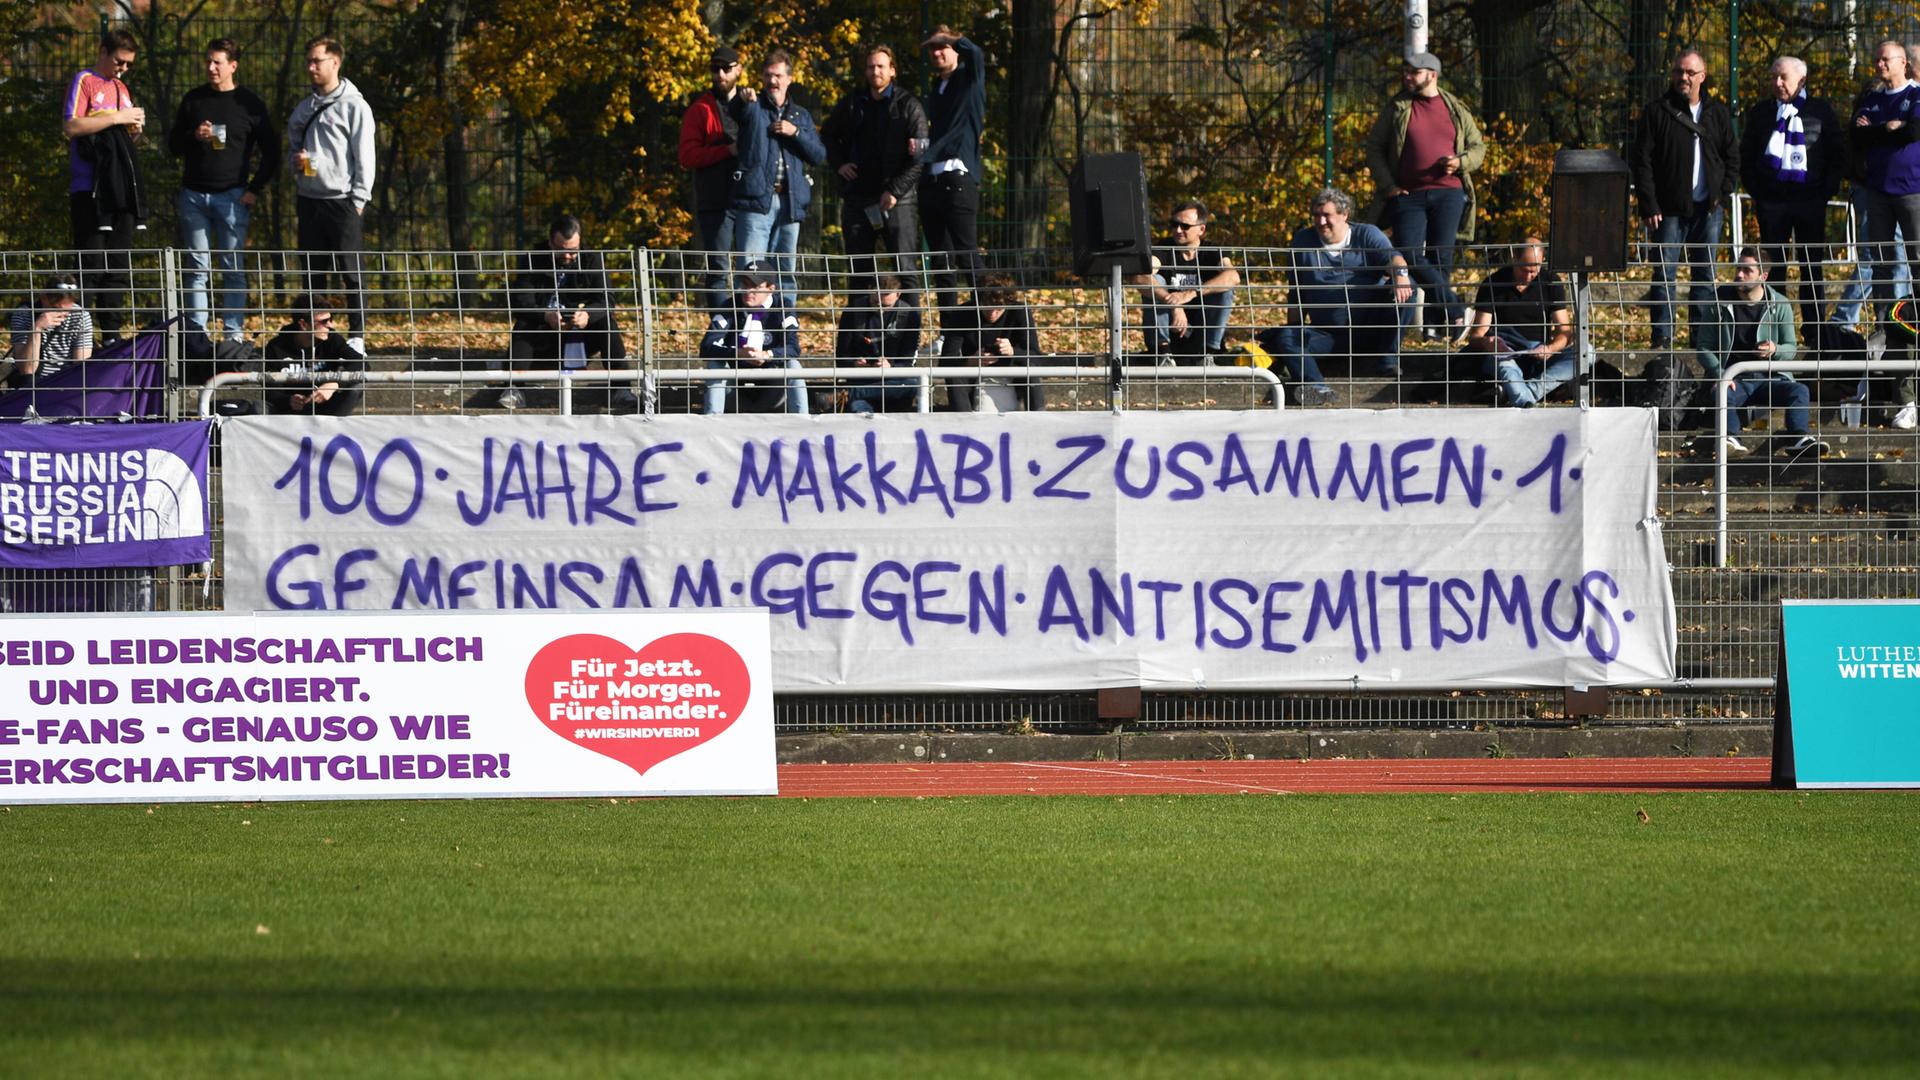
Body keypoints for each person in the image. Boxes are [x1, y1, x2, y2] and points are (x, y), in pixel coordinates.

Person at [1363, 50, 1485, 338]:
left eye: (1413, 72)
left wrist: (1460, 163)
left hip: (1449, 193)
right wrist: (1389, 186)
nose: (1407, 77)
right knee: (1407, 252)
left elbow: (1478, 148)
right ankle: (1455, 309)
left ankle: (1436, 325)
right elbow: (1374, 148)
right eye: (1405, 72)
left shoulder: (1455, 108)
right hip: (1408, 194)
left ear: (1432, 75)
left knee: (1441, 258)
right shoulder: (1397, 107)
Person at [169, 37, 278, 354]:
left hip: (232, 197)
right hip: (194, 196)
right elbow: (173, 145)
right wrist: (194, 135)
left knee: (232, 268)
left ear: (233, 65)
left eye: (217, 62)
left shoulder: (249, 104)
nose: (211, 67)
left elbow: (271, 151)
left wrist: (254, 189)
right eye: (208, 61)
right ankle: (198, 336)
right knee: (197, 268)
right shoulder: (194, 100)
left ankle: (232, 334)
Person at [1256, 187, 1412, 405]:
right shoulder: (1302, 241)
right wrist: (1293, 331)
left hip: (1370, 328)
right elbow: (1296, 293)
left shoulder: (1366, 234)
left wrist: (1401, 275)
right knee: (1286, 337)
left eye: (1327, 215)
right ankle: (1317, 389)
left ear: (1344, 214)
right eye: (1316, 216)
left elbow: (1395, 259)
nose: (1321, 222)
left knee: (1408, 287)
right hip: (1329, 335)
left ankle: (1387, 356)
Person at [1630, 49, 1738, 351]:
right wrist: (1648, 203)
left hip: (1708, 209)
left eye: (1690, 73)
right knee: (1664, 273)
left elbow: (1732, 156)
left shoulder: (1717, 113)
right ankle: (1662, 337)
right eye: (1679, 72)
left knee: (1705, 274)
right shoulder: (1657, 112)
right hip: (1668, 211)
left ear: (1702, 76)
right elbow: (1642, 161)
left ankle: (1700, 338)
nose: (1683, 78)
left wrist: (1723, 192)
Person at [286, 36, 375, 353]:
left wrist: (359, 200)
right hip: (309, 200)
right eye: (308, 61)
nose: (311, 67)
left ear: (334, 63)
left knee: (351, 272)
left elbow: (365, 156)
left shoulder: (355, 106)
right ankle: (317, 334)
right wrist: (295, 164)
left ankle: (357, 336)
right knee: (313, 272)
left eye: (317, 61)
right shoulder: (303, 109)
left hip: (343, 202)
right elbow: (291, 150)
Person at [1738, 56, 1844, 311]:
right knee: (1773, 267)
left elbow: (1836, 153)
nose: (1777, 82)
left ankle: (1814, 331)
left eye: (1783, 77)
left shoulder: (1821, 111)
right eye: (1774, 77)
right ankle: (1774, 325)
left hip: (1810, 200)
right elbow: (1747, 155)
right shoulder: (1761, 112)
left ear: (1802, 80)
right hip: (1772, 201)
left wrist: (1824, 193)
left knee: (1811, 267)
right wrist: (1759, 193)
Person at [1697, 252, 1827, 457]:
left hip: (1770, 378)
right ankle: (1730, 439)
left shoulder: (1780, 304)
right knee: (1722, 392)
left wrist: (1775, 350)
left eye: (1747, 270)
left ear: (1763, 277)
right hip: (1734, 378)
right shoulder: (1718, 302)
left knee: (1800, 390)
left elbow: (1791, 347)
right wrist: (1721, 373)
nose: (1739, 275)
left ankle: (1800, 438)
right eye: (1738, 269)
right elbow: (1703, 347)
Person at [498, 214, 632, 411]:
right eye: (561, 250)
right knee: (524, 324)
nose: (568, 256)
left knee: (606, 322)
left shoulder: (592, 259)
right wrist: (545, 315)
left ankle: (622, 389)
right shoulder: (533, 259)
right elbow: (521, 301)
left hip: (582, 336)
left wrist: (588, 314)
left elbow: (607, 300)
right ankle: (514, 389)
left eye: (573, 251)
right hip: (544, 335)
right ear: (550, 242)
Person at [62, 29, 148, 332]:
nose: (122, 69)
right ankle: (79, 338)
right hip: (91, 188)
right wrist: (115, 118)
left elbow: (123, 140)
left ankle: (111, 336)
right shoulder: (85, 80)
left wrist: (134, 130)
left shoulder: (121, 89)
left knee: (117, 266)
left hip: (121, 190)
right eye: (119, 61)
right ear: (103, 52)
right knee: (91, 264)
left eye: (128, 65)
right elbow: (72, 125)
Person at [823, 46, 929, 283]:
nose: (875, 71)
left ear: (892, 71)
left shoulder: (909, 105)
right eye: (871, 66)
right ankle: (858, 321)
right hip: (858, 199)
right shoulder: (852, 103)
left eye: (881, 66)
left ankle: (910, 320)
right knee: (858, 275)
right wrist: (840, 164)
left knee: (906, 272)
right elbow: (828, 136)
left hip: (898, 201)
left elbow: (920, 156)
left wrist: (894, 191)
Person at [732, 50, 826, 310]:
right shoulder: (753, 106)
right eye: (768, 76)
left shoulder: (800, 116)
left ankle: (786, 332)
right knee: (751, 273)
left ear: (789, 79)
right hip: (756, 203)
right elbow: (736, 112)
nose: (772, 81)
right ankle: (748, 333)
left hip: (791, 203)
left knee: (786, 274)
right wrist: (743, 100)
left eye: (778, 76)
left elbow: (819, 155)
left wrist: (795, 133)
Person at [919, 26, 986, 309]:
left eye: (942, 46)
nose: (937, 52)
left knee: (967, 254)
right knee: (941, 260)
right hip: (932, 180)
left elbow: (977, 54)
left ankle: (988, 322)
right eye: (932, 48)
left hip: (958, 179)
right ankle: (949, 335)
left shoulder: (969, 79)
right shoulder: (937, 88)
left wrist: (955, 38)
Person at [1464, 238, 1575, 407]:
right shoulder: (1493, 283)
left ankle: (1528, 392)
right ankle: (1525, 401)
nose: (1529, 276)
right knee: (1505, 365)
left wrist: (1550, 348)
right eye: (1524, 270)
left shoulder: (1551, 281)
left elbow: (1565, 331)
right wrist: (1488, 343)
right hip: (1505, 353)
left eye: (1535, 270)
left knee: (1586, 352)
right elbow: (1476, 335)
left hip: (1538, 353)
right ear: (1514, 259)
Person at [1137, 199, 1239, 363]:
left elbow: (1233, 276)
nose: (1178, 230)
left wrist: (1191, 293)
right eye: (1174, 224)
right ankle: (1162, 355)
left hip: (1201, 331)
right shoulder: (1163, 248)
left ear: (1201, 229)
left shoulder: (1212, 251)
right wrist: (1174, 304)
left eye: (1185, 226)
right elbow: (1141, 276)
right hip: (1170, 328)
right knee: (1156, 280)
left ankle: (1209, 355)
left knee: (1225, 287)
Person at [700, 266, 807, 415]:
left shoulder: (783, 306)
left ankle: (803, 424)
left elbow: (793, 348)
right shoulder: (729, 306)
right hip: (734, 393)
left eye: (755, 286)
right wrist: (737, 353)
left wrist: (767, 355)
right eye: (745, 284)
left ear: (771, 288)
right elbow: (706, 347)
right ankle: (711, 422)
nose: (748, 291)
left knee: (793, 365)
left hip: (772, 392)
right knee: (714, 364)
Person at [679, 46, 748, 256]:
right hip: (715, 202)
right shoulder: (700, 110)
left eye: (726, 69)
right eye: (715, 69)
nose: (720, 75)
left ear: (739, 70)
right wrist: (727, 150)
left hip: (749, 199)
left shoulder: (752, 105)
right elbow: (687, 156)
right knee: (718, 267)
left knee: (753, 267)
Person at [943, 275, 1045, 412]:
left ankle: (1037, 419)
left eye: (999, 308)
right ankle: (963, 423)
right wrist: (970, 361)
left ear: (1009, 303)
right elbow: (945, 361)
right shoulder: (962, 313)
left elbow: (1036, 356)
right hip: (974, 374)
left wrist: (1013, 352)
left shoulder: (1020, 312)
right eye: (986, 307)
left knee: (1030, 370)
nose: (992, 314)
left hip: (1013, 373)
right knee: (954, 376)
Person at [261, 293, 364, 416]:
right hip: (289, 411)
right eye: (324, 321)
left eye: (331, 320)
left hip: (325, 407)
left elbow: (361, 362)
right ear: (303, 325)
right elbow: (268, 390)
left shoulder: (332, 338)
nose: (330, 325)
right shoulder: (276, 346)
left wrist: (334, 384)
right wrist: (288, 400)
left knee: (356, 388)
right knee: (259, 407)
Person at [833, 274, 922, 413]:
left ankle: (851, 393)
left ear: (898, 294)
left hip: (894, 381)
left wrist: (890, 366)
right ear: (870, 290)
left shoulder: (910, 315)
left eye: (886, 306)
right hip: (862, 378)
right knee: (859, 410)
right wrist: (854, 363)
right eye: (875, 302)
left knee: (914, 385)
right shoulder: (853, 311)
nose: (880, 309)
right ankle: (854, 394)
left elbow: (908, 360)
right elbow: (841, 356)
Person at [5, 275, 93, 390]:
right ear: (44, 298)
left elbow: (80, 369)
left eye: (67, 310)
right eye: (57, 308)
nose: (63, 315)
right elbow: (27, 369)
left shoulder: (80, 317)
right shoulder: (23, 314)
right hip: (32, 382)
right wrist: (36, 329)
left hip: (64, 382)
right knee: (27, 380)